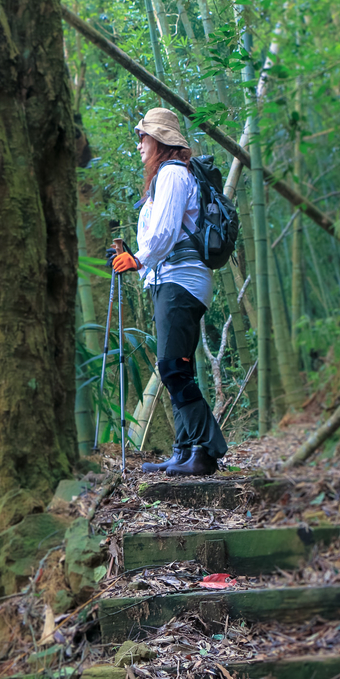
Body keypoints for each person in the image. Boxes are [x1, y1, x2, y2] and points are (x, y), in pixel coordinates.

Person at [110, 108, 228, 477]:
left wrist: (138, 259)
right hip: (171, 280)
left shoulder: (174, 173)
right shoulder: (167, 176)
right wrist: (134, 257)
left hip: (182, 281)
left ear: (160, 139)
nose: (139, 144)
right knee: (177, 368)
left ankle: (206, 449)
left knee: (172, 366)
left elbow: (164, 233)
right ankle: (184, 450)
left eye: (143, 136)